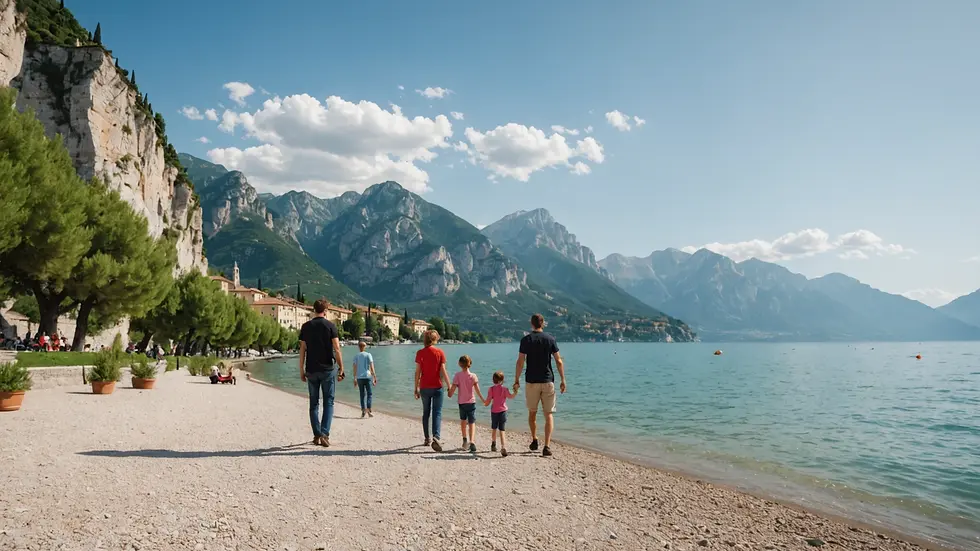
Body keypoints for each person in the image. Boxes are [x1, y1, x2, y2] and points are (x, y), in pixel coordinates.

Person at [513, 313, 565, 457]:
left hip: (531, 381)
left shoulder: (525, 340)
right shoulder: (550, 339)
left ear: (532, 324)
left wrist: (516, 379)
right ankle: (547, 446)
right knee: (548, 414)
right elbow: (558, 361)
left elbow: (520, 362)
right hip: (548, 381)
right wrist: (563, 380)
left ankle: (535, 439)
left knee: (532, 413)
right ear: (543, 323)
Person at [299, 299, 344, 447]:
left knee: (313, 404)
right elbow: (337, 349)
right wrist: (341, 367)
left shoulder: (305, 327)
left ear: (314, 309)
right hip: (327, 370)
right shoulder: (331, 326)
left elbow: (303, 350)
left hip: (311, 369)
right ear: (326, 311)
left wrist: (301, 369)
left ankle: (317, 434)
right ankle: (324, 433)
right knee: (328, 402)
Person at [414, 329, 451, 452]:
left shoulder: (420, 353)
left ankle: (426, 438)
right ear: (435, 339)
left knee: (426, 413)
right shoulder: (440, 352)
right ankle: (436, 436)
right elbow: (443, 371)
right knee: (437, 412)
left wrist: (416, 387)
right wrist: (449, 385)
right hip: (437, 386)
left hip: (424, 387)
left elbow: (417, 372)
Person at [448, 355, 484, 452]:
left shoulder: (457, 375)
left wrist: (449, 393)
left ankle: (464, 440)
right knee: (472, 422)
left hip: (462, 403)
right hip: (471, 402)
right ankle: (472, 441)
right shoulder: (473, 376)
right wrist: (483, 400)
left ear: (459, 364)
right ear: (470, 364)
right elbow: (477, 390)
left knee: (463, 421)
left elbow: (453, 389)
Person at [483, 371, 519, 457]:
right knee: (502, 429)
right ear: (502, 380)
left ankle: (493, 444)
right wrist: (515, 391)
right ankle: (503, 446)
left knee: (494, 428)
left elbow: (487, 401)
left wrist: (484, 403)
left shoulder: (491, 389)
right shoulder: (505, 389)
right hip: (503, 411)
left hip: (494, 411)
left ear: (493, 380)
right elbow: (511, 396)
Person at [351, 341, 377, 418]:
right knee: (369, 394)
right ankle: (368, 409)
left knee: (362, 395)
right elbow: (372, 367)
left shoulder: (356, 356)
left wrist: (355, 378)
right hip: (367, 377)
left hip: (359, 378)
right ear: (365, 347)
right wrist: (374, 377)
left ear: (358, 347)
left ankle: (363, 411)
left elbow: (354, 368)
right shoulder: (368, 355)